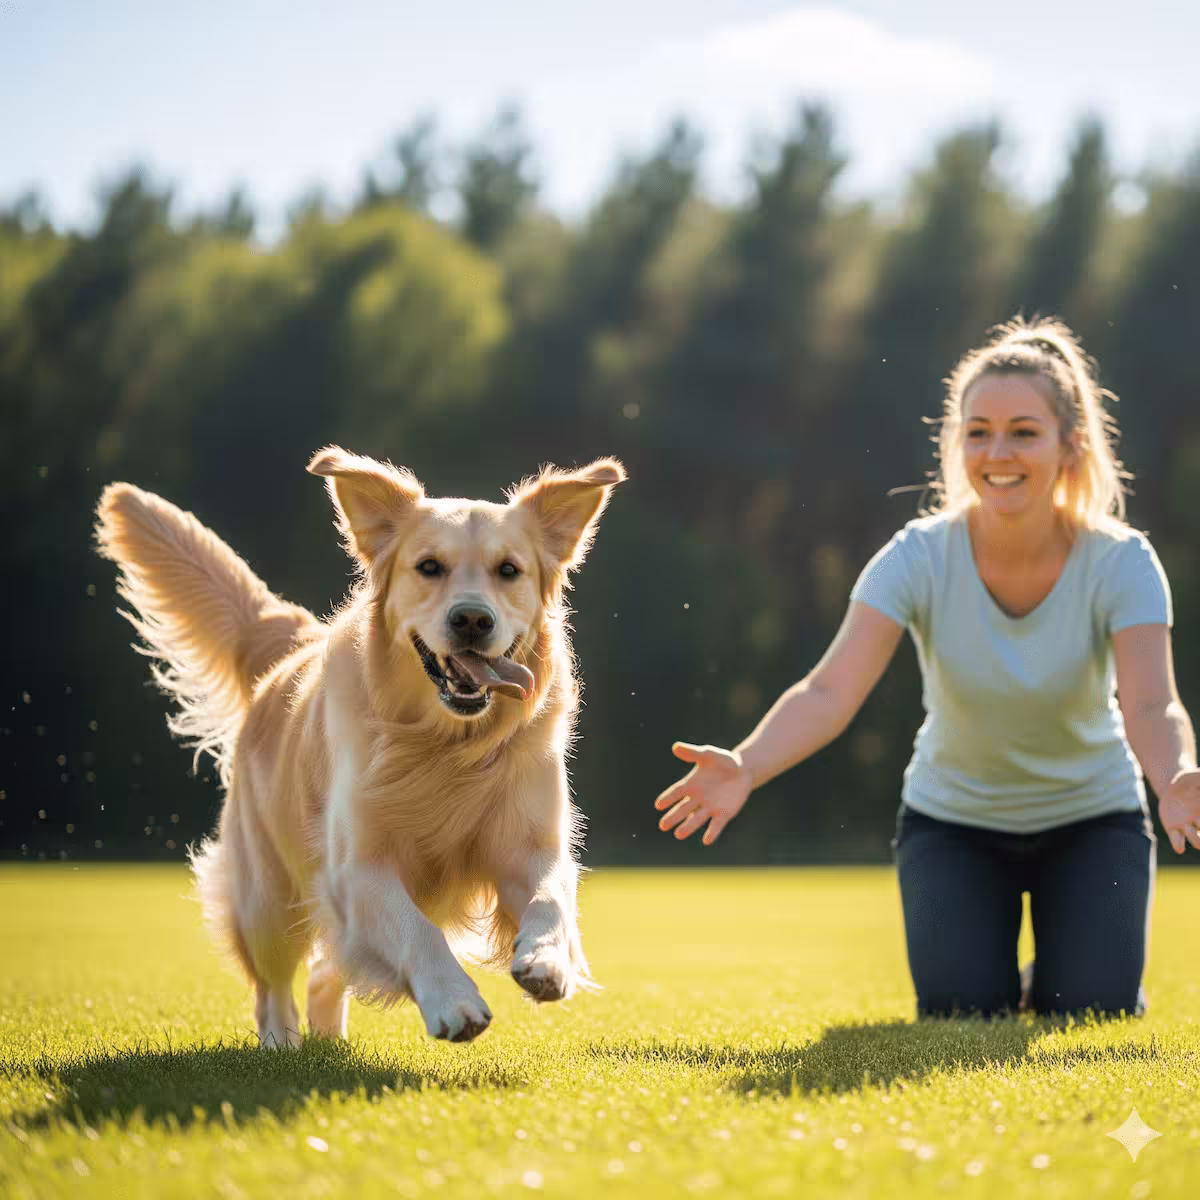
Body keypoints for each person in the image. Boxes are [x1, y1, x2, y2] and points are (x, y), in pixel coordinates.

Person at [654, 316, 1200, 1018]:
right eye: (978, 431)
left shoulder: (1122, 561)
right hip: (955, 825)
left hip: (1094, 821)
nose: (997, 451)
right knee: (963, 1013)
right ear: (957, 442)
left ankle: (1082, 965)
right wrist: (747, 764)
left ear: (1071, 444)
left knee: (1092, 1007)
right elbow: (828, 690)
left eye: (1024, 431)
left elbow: (1152, 705)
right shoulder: (916, 556)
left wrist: (1175, 774)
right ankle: (1030, 970)